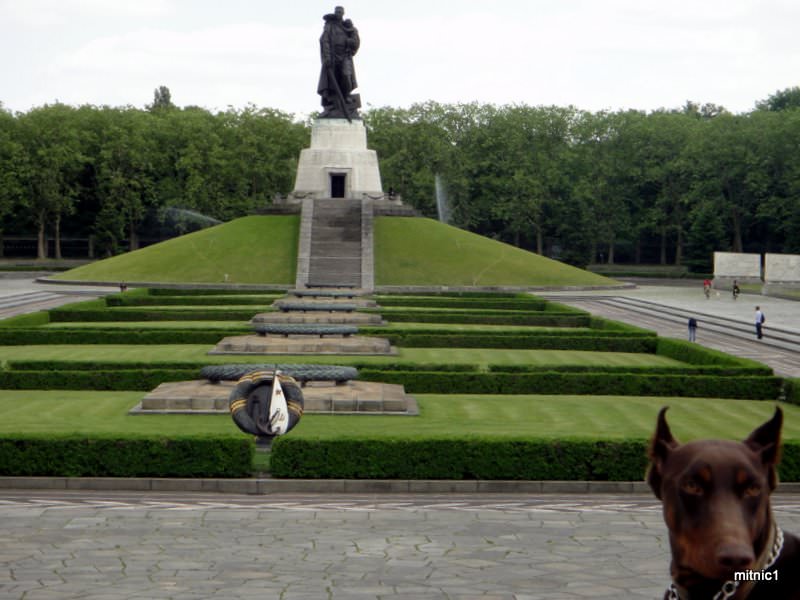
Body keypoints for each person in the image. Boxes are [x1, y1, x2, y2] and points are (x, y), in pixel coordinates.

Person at [317, 6, 361, 119]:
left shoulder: (348, 27)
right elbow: (324, 40)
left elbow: (356, 41)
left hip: (345, 56)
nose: (338, 13)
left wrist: (350, 40)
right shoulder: (330, 25)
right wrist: (326, 56)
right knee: (332, 82)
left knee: (346, 76)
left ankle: (346, 96)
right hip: (332, 58)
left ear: (343, 13)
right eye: (337, 11)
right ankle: (333, 104)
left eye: (340, 12)